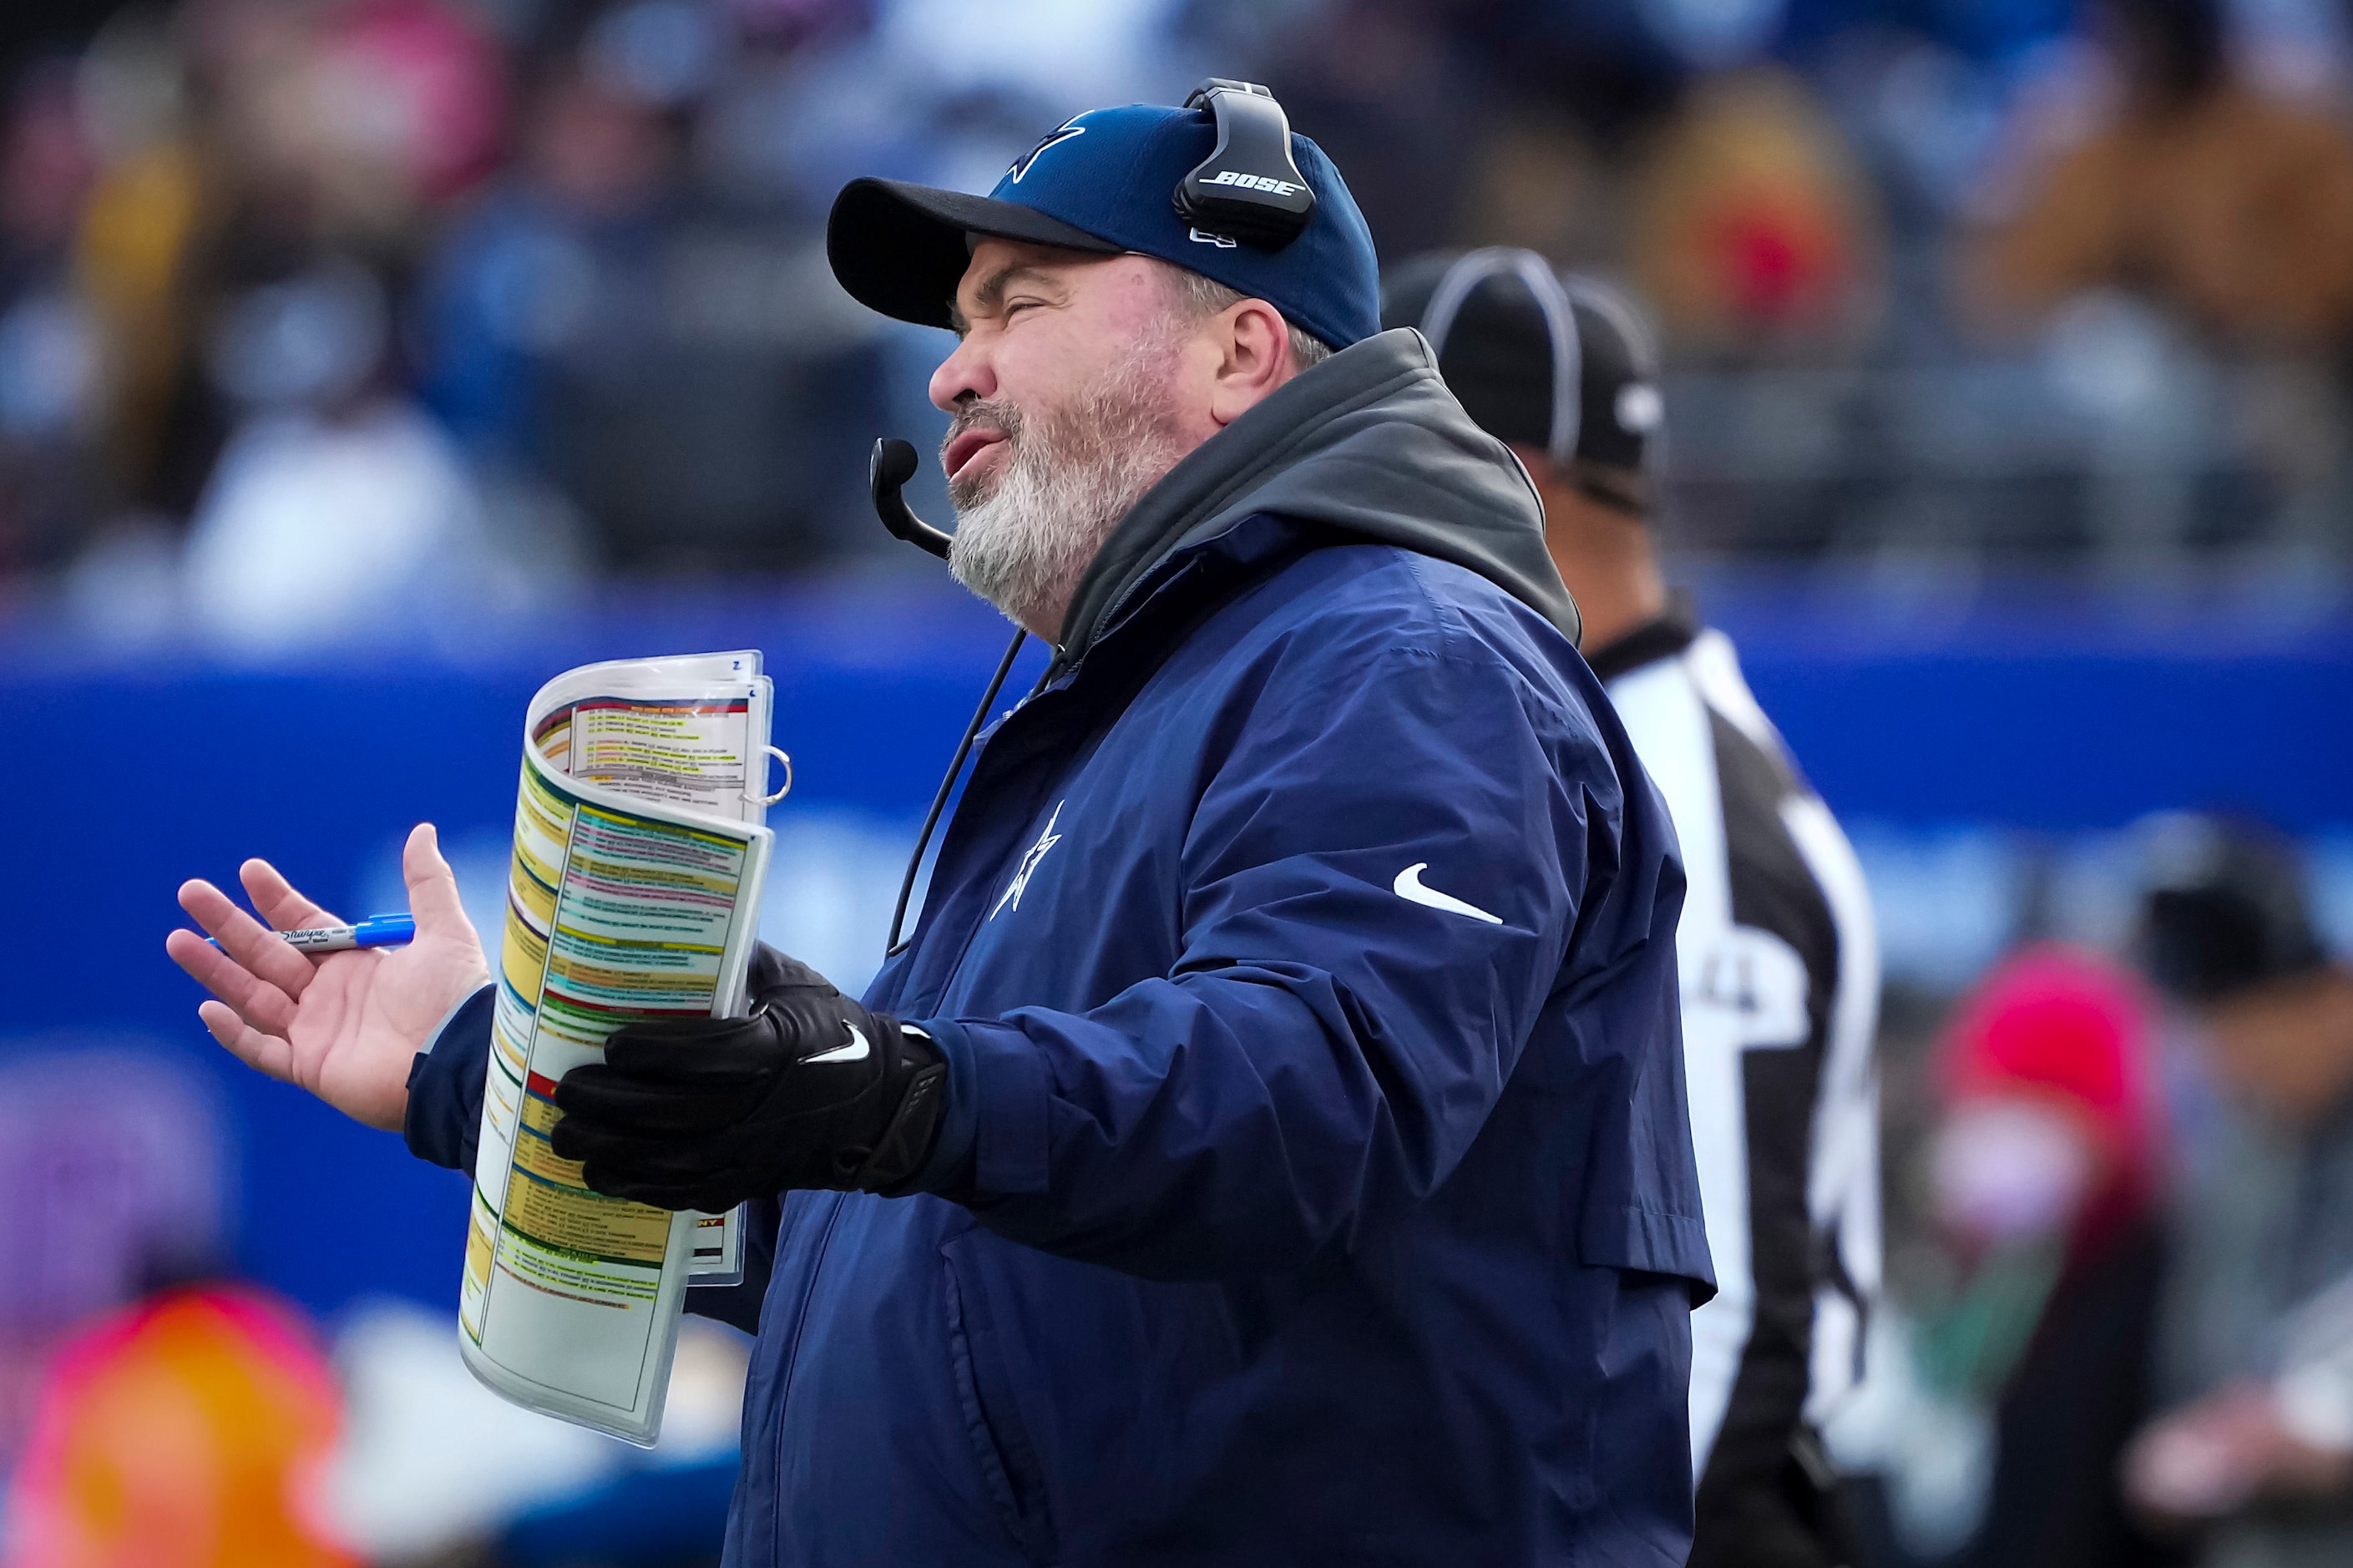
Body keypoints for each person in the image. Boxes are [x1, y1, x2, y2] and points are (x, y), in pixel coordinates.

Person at [166, 89, 1715, 1565]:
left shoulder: (1399, 652)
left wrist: (885, 1083)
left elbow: (1309, 1093)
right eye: (955, 321)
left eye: (1017, 306)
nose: (945, 372)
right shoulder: (1136, 714)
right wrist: (488, 1066)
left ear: (1243, 349)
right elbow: (934, 1260)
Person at [1381, 249, 1878, 1567]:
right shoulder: (1560, 731)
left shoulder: (1684, 802)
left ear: (1498, 470)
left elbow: (1722, 1318)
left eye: (1365, 448)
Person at [2123, 815, 2353, 1568]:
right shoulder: (2241, 1162)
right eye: (2211, 1031)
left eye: (2252, 1026)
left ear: (2331, 996)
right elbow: (2194, 1366)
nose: (2232, 1064)